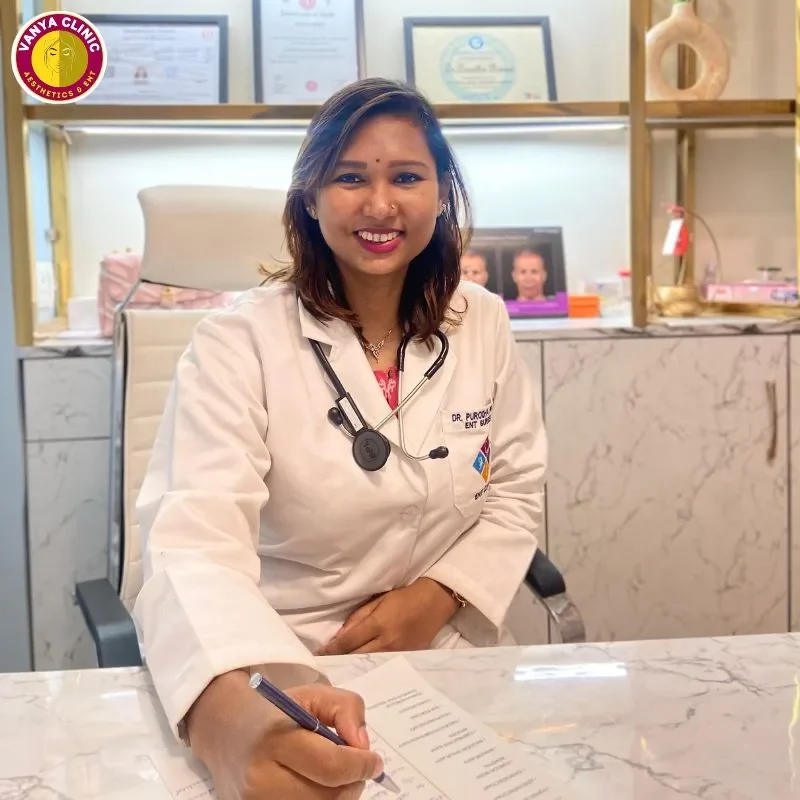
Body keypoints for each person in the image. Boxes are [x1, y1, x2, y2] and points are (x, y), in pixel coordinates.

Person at [132, 77, 547, 799]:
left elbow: (514, 490)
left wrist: (440, 595)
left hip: (450, 662)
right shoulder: (238, 342)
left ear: (441, 194)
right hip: (290, 662)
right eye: (350, 178)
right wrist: (229, 711)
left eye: (407, 177)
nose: (380, 205)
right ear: (309, 199)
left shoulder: (481, 320)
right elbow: (192, 544)